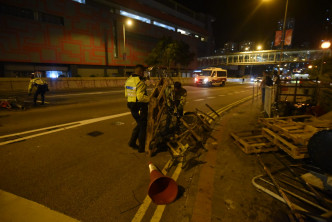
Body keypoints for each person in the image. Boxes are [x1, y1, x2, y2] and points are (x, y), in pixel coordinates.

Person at [125, 64, 149, 153]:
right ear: (141, 72)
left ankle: (132, 142)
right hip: (139, 107)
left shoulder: (129, 80)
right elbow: (141, 97)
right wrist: (150, 99)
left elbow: (126, 94)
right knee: (143, 126)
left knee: (139, 124)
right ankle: (141, 148)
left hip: (131, 105)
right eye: (144, 72)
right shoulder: (140, 82)